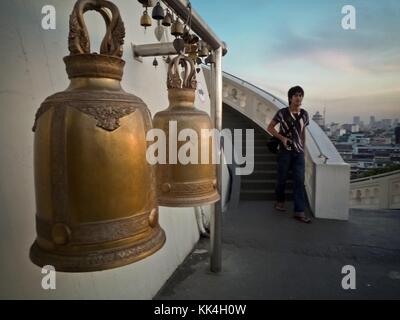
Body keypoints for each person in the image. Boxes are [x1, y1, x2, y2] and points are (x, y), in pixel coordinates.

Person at [267, 86, 311, 223]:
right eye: (296, 95)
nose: (299, 98)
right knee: (282, 178)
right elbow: (270, 127)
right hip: (284, 151)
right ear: (290, 98)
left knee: (299, 181)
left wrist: (302, 148)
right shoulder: (282, 113)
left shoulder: (304, 114)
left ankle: (299, 211)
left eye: (300, 95)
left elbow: (303, 132)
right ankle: (279, 201)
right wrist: (282, 138)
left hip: (298, 153)